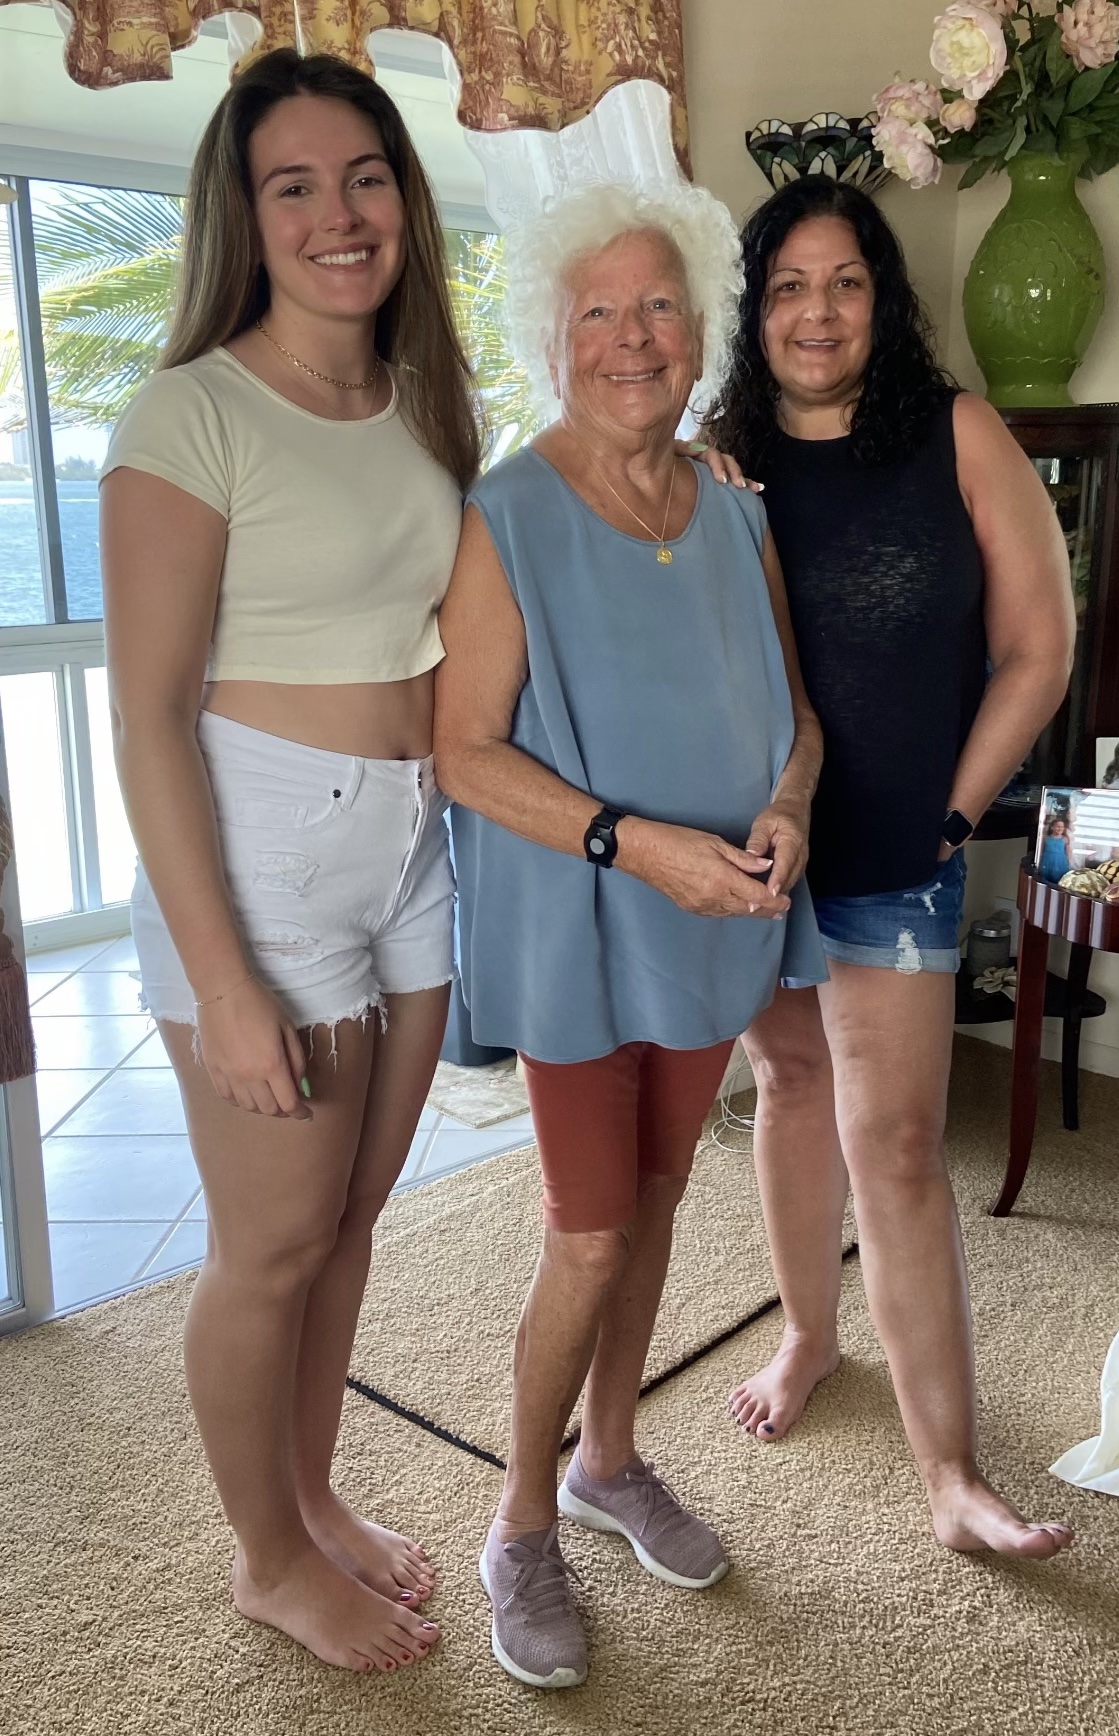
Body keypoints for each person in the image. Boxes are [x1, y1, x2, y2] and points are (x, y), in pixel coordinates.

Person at [99, 49, 481, 1673]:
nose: (339, 214)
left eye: (365, 176)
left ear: (402, 195)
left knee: (351, 1221)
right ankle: (266, 1556)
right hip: (256, 852)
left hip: (406, 845)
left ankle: (310, 1497)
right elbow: (145, 717)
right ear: (243, 218)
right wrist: (226, 981)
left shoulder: (419, 402)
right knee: (266, 1245)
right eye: (293, 184)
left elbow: (466, 633)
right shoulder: (190, 410)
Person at [434, 182, 826, 1689]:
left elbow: (790, 714)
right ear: (551, 334)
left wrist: (785, 805)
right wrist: (630, 840)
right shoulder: (506, 514)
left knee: (659, 1200)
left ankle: (609, 1458)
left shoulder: (735, 510)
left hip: (717, 917)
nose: (629, 337)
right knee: (590, 1230)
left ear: (697, 334)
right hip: (582, 928)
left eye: (657, 306)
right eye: (596, 309)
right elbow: (462, 751)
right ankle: (521, 1521)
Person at [705, 176, 1077, 1557]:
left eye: (845, 280)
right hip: (760, 845)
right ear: (755, 309)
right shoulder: (714, 455)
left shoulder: (958, 434)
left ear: (883, 297)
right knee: (787, 1082)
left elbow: (1038, 647)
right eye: (789, 285)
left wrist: (949, 814)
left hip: (899, 850)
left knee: (901, 1147)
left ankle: (952, 1478)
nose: (817, 310)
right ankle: (807, 1337)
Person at [1039, 814, 1073, 883]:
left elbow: (1068, 852)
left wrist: (1069, 862)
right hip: (1047, 861)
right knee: (1045, 879)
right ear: (1052, 827)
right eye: (1058, 826)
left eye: (1062, 827)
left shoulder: (1065, 839)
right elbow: (1041, 850)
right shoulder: (1046, 838)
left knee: (1058, 879)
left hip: (1060, 862)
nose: (1060, 829)